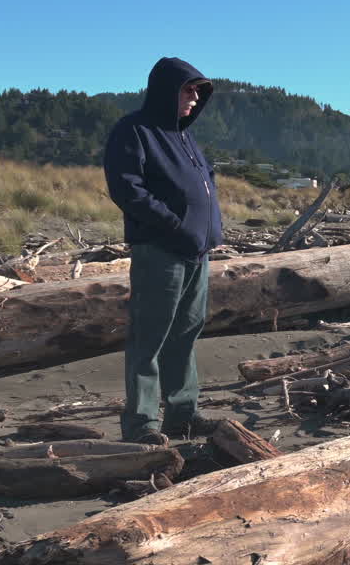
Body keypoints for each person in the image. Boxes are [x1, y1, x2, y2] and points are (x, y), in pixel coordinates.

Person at [103, 57, 224, 445]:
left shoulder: (185, 137)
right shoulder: (134, 131)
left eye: (198, 92)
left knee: (186, 333)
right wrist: (175, 225)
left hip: (197, 252)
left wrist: (207, 232)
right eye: (188, 90)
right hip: (160, 250)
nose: (194, 98)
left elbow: (202, 186)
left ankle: (182, 415)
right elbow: (128, 190)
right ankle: (142, 425)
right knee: (149, 337)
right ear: (166, 90)